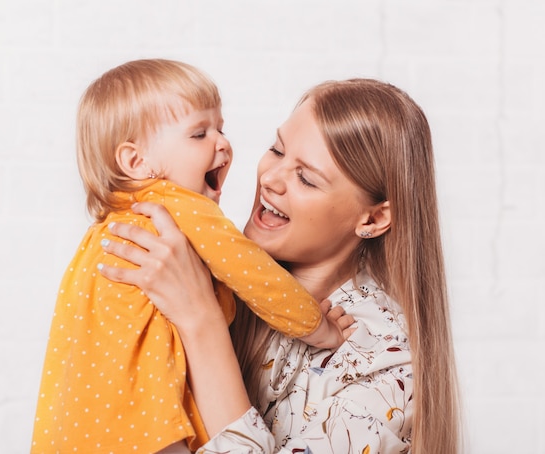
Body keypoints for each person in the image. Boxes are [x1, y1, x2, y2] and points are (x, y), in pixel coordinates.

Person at [99, 78, 461, 453]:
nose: (269, 179)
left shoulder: (388, 369)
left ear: (373, 219)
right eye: (276, 150)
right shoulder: (196, 276)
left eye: (306, 178)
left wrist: (200, 322)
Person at [31, 59, 347, 454]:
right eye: (199, 134)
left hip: (80, 427)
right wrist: (317, 326)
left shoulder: (102, 234)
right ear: (136, 162)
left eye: (221, 128)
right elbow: (253, 272)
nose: (222, 143)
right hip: (148, 426)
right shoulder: (177, 206)